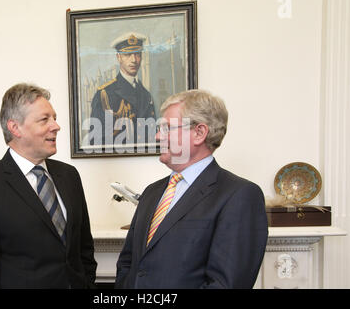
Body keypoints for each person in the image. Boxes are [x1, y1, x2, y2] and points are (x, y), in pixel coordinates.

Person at [115, 89, 268, 289]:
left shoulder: (239, 195)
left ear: (199, 133)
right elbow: (128, 263)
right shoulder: (152, 192)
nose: (158, 135)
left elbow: (226, 284)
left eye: (167, 128)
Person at [0, 83, 97, 288]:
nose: (56, 126)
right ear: (15, 128)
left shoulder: (69, 176)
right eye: (44, 120)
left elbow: (84, 248)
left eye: (54, 118)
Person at [90, 32, 156, 146]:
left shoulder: (146, 94)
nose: (134, 60)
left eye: (137, 54)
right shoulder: (105, 94)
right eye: (128, 55)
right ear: (119, 57)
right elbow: (95, 140)